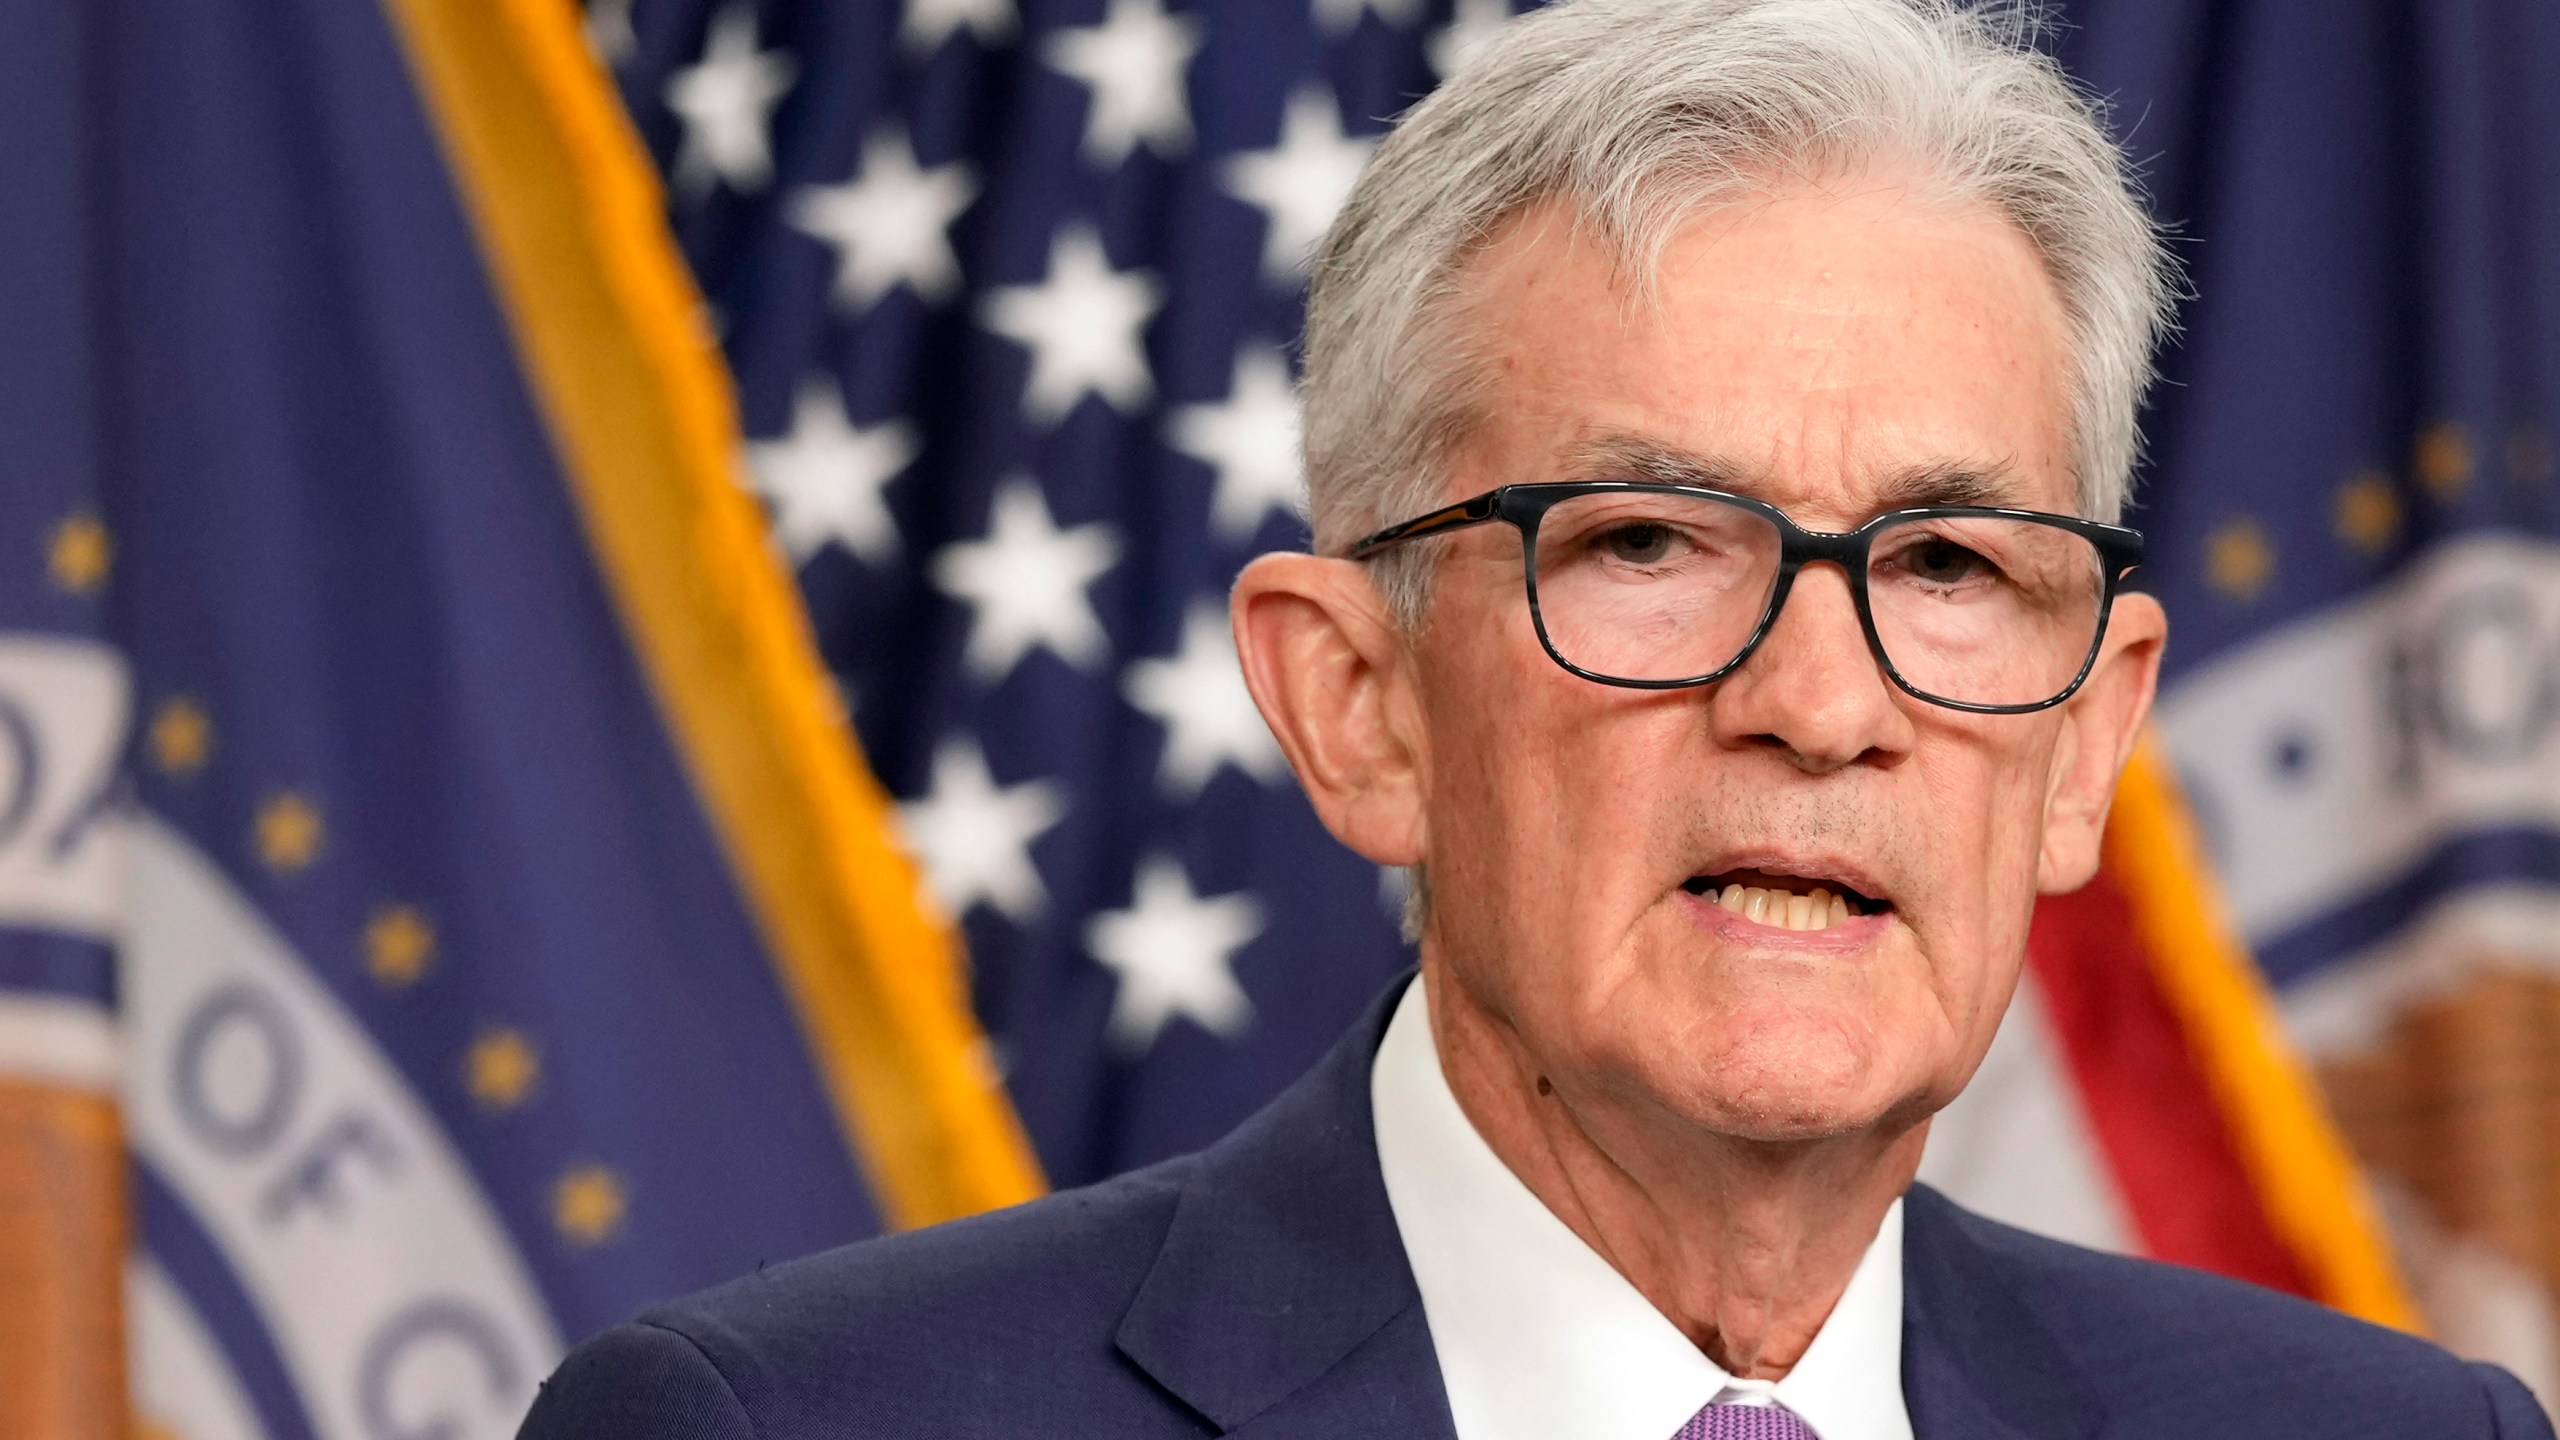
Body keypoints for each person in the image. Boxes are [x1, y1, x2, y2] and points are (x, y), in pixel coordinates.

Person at [519, 1, 2555, 1435]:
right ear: (1356, 700)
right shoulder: (786, 1429)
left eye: (1945, 567)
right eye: (1650, 545)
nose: (1819, 703)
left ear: (2086, 744)